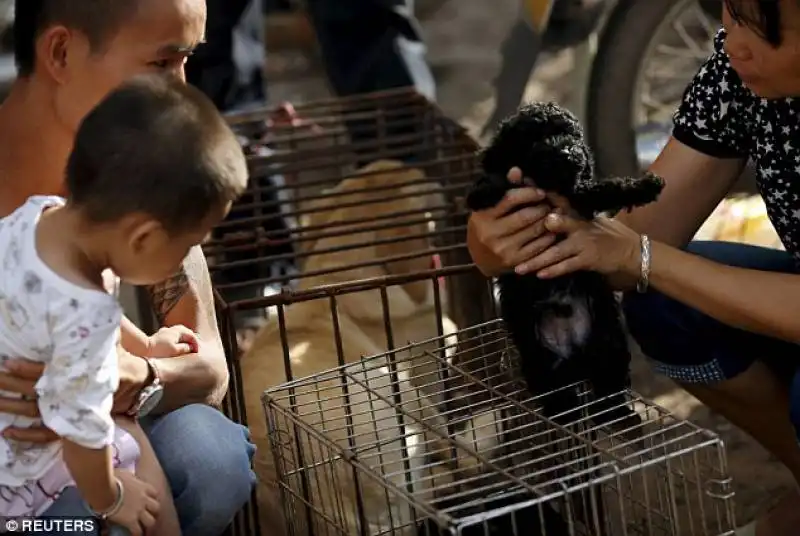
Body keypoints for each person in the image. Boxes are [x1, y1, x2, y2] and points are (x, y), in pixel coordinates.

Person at [466, 0, 800, 534]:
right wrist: (509, 243)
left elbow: (637, 251)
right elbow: (638, 235)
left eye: (763, 31)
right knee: (667, 305)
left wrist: (640, 257)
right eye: (730, 13)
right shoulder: (737, 72)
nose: (734, 41)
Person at [0, 1, 256, 535]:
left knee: (208, 456)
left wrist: (135, 373)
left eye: (189, 60)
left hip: (90, 445)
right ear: (61, 52)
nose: (182, 91)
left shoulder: (150, 173)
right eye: (162, 63)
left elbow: (210, 368)